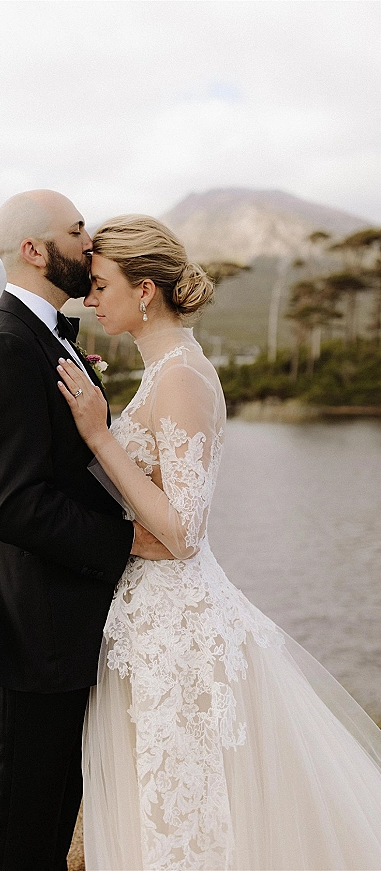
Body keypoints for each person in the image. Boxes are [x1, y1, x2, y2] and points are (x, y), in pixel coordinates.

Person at [57, 214, 381, 870]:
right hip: (151, 620)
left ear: (144, 289)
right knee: (167, 801)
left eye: (99, 285)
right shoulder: (167, 369)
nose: (90, 301)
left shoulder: (181, 376)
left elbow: (182, 530)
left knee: (183, 809)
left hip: (176, 624)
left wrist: (98, 436)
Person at [0, 191, 170, 871]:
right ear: (34, 251)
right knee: (22, 834)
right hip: (27, 633)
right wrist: (131, 540)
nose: (90, 244)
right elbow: (12, 505)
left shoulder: (45, 336)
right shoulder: (5, 347)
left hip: (60, 627)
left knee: (49, 824)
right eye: (77, 232)